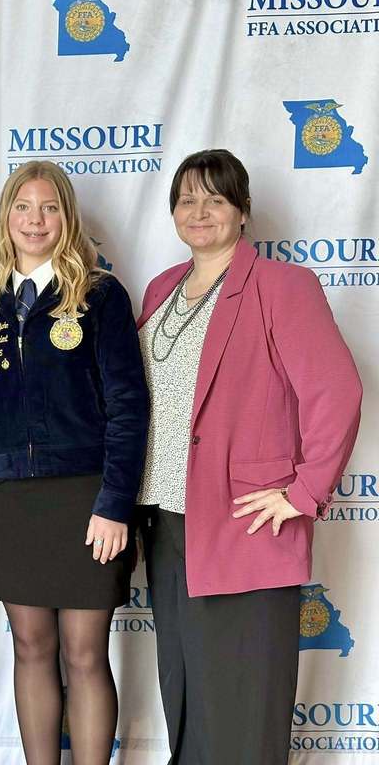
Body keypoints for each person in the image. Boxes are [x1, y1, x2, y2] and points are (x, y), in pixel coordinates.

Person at [136, 149, 362, 764]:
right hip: (167, 522)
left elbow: (336, 390)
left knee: (243, 703)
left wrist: (303, 492)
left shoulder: (282, 287)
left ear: (242, 212)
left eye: (215, 199)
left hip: (245, 526)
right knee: (186, 692)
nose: (199, 211)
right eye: (187, 199)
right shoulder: (162, 290)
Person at [0, 161, 148, 764]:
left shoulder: (99, 295)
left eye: (49, 208)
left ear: (66, 218)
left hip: (86, 497)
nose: (35, 220)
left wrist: (114, 503)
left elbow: (129, 405)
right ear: (7, 218)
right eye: (23, 207)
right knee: (30, 646)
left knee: (84, 652)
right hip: (14, 498)